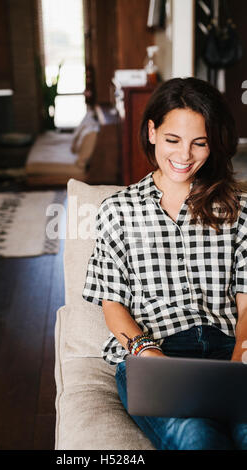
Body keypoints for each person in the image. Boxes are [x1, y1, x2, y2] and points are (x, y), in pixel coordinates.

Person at [82, 77, 247, 450]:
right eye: (173, 140)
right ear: (153, 132)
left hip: (227, 348)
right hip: (155, 351)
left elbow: (246, 303)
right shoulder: (118, 211)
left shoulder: (238, 209)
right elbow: (113, 306)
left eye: (199, 143)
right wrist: (147, 353)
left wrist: (241, 356)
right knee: (197, 438)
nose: (185, 156)